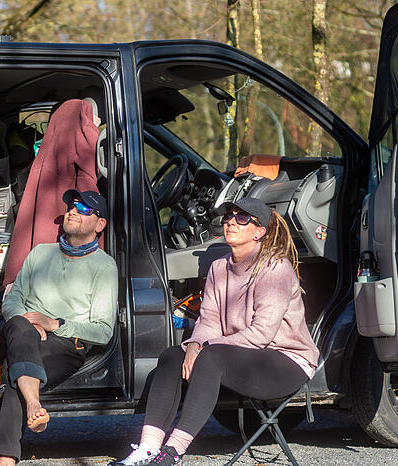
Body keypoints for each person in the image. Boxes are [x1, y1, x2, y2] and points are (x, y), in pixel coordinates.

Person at [112, 197, 319, 466]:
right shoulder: (219, 268)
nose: (231, 221)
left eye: (242, 218)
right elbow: (208, 320)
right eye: (228, 216)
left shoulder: (275, 269)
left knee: (211, 357)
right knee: (172, 356)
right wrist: (195, 344)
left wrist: (204, 348)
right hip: (238, 356)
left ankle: (173, 452)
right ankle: (149, 448)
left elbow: (261, 334)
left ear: (260, 232)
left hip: (286, 360)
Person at [0, 189, 118, 465]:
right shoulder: (40, 253)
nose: (73, 211)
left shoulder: (104, 267)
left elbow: (103, 330)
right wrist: (26, 322)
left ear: (100, 225)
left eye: (85, 209)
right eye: (72, 206)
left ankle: (5, 460)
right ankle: (35, 406)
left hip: (63, 343)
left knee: (16, 372)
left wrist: (55, 324)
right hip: (19, 332)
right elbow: (12, 300)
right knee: (20, 332)